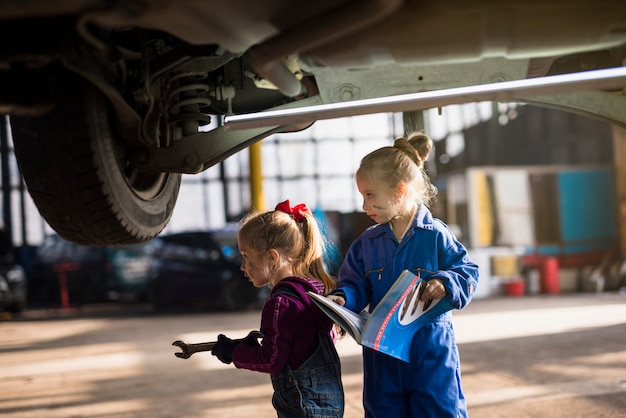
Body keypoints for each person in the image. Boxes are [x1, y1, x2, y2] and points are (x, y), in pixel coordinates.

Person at [328, 132, 479, 418]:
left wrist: (445, 282)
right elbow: (354, 284)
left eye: (370, 195)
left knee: (438, 411)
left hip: (430, 352)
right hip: (381, 354)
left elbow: (467, 272)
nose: (364, 205)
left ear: (399, 191)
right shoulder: (365, 243)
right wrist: (342, 298)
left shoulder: (435, 235)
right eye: (362, 196)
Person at [211, 199, 345, 418]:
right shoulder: (315, 290)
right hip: (329, 403)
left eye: (246, 257)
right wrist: (250, 345)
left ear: (272, 257)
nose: (242, 266)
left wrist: (233, 353)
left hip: (301, 406)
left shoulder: (280, 304)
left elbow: (272, 360)